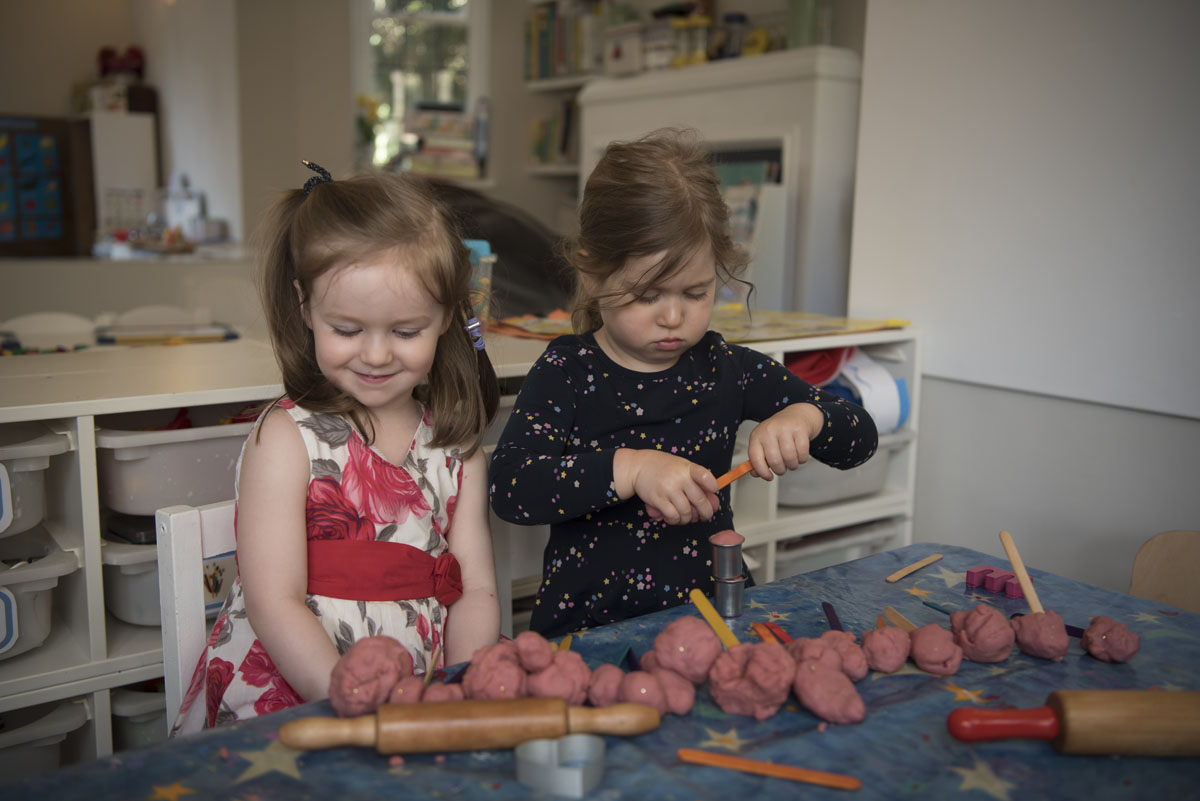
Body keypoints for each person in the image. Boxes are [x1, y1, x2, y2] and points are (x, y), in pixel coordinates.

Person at [488, 129, 878, 638]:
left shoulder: (727, 368)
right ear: (591, 275)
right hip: (588, 634)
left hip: (714, 619)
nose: (673, 317)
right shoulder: (568, 371)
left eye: (695, 293)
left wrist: (808, 417)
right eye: (648, 295)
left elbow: (860, 439)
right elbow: (511, 488)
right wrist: (631, 469)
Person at [172, 163, 501, 732]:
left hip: (416, 696)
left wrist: (458, 687)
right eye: (347, 330)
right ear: (305, 307)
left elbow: (475, 590)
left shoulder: (456, 448)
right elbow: (274, 601)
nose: (376, 355)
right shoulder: (286, 439)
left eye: (405, 331)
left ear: (446, 316)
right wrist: (342, 697)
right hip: (297, 691)